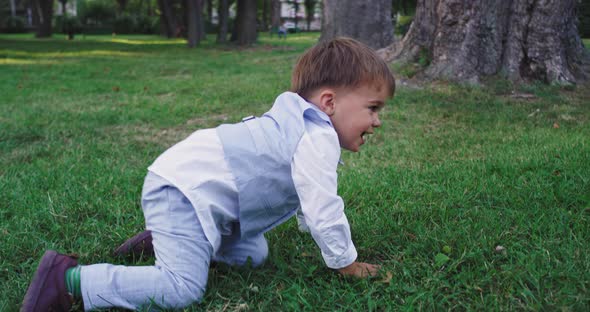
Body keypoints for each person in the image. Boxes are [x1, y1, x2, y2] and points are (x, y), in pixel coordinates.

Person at [21, 37, 396, 311]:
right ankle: (69, 280)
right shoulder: (317, 138)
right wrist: (345, 261)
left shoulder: (300, 122)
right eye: (373, 108)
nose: (377, 122)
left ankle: (171, 239)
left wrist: (306, 226)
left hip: (192, 189)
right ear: (329, 103)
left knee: (254, 253)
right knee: (181, 288)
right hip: (181, 191)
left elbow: (303, 191)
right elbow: (322, 206)